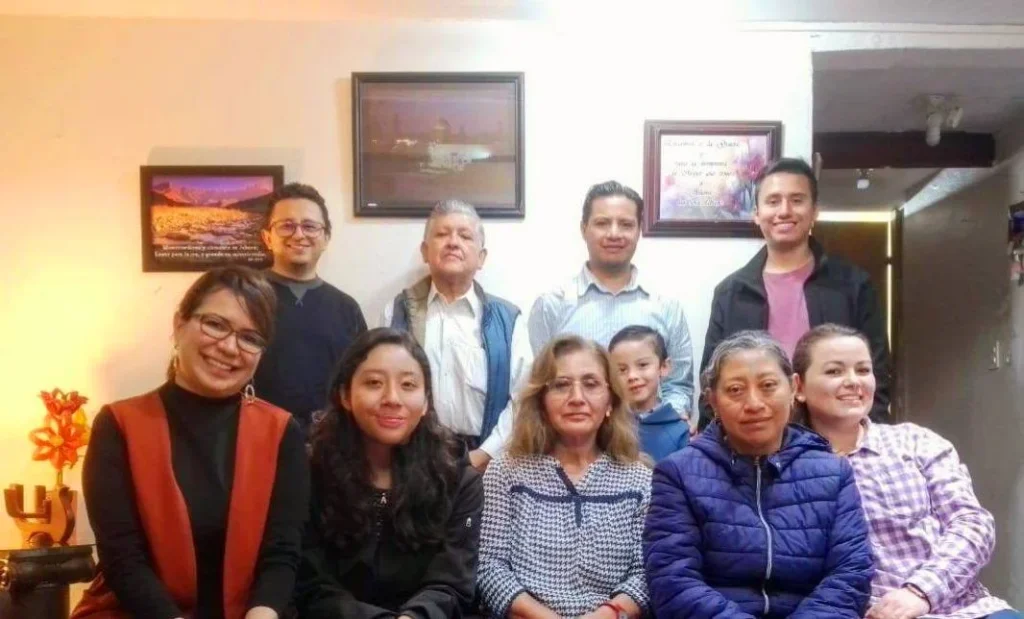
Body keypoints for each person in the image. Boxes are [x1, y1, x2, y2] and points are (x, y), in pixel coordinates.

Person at [72, 267, 309, 619]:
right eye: (215, 324)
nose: (229, 347)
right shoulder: (119, 425)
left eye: (250, 338)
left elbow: (282, 551)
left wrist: (262, 614)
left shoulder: (281, 431)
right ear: (179, 323)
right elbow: (122, 558)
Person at [793, 324, 1020, 619]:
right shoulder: (787, 466)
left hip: (963, 609)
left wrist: (920, 592)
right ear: (798, 387)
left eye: (863, 370)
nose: (853, 382)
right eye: (834, 371)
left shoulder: (916, 442)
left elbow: (973, 524)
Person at [644, 330, 873, 618]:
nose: (754, 403)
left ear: (793, 388)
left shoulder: (833, 473)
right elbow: (673, 581)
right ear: (712, 400)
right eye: (735, 390)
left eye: (768, 386)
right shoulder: (678, 474)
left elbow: (851, 574)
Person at [294, 328, 483, 619]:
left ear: (425, 402)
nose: (392, 398)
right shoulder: (310, 472)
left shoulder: (459, 480)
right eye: (374, 383)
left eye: (408, 385)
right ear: (345, 395)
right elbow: (310, 582)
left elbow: (452, 584)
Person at [700, 158, 890, 429]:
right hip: (754, 434)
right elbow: (712, 379)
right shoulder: (731, 292)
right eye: (773, 201)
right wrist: (712, 440)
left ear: (814, 212)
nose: (784, 211)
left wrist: (867, 434)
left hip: (833, 436)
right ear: (757, 213)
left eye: (797, 200)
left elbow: (877, 372)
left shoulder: (852, 285)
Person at [478, 335, 651, 619]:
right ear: (541, 401)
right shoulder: (505, 472)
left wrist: (604, 615)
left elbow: (644, 574)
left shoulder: (640, 481)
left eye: (591, 384)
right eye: (561, 385)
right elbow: (489, 568)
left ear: (610, 400)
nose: (577, 398)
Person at [382, 200, 531, 471]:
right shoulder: (397, 312)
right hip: (411, 461)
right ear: (425, 251)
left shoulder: (509, 320)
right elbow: (384, 387)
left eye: (465, 236)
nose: (452, 242)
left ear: (481, 257)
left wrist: (484, 455)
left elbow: (524, 397)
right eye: (442, 234)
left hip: (487, 464)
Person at [528, 180, 695, 421]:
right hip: (574, 438)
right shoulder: (552, 305)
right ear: (584, 229)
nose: (614, 234)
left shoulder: (666, 306)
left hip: (648, 438)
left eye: (626, 224)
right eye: (602, 223)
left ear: (639, 230)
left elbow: (678, 386)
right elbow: (540, 386)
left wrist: (664, 426)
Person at [255, 182, 367, 434]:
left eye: (309, 226)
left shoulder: (346, 308)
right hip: (257, 440)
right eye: (286, 226)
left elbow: (360, 380)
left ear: (326, 238)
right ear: (267, 238)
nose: (298, 235)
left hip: (331, 443)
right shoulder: (244, 297)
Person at [608, 325, 688, 461]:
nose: (632, 376)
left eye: (642, 365)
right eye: (622, 370)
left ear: (664, 367)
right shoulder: (606, 427)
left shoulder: (680, 432)